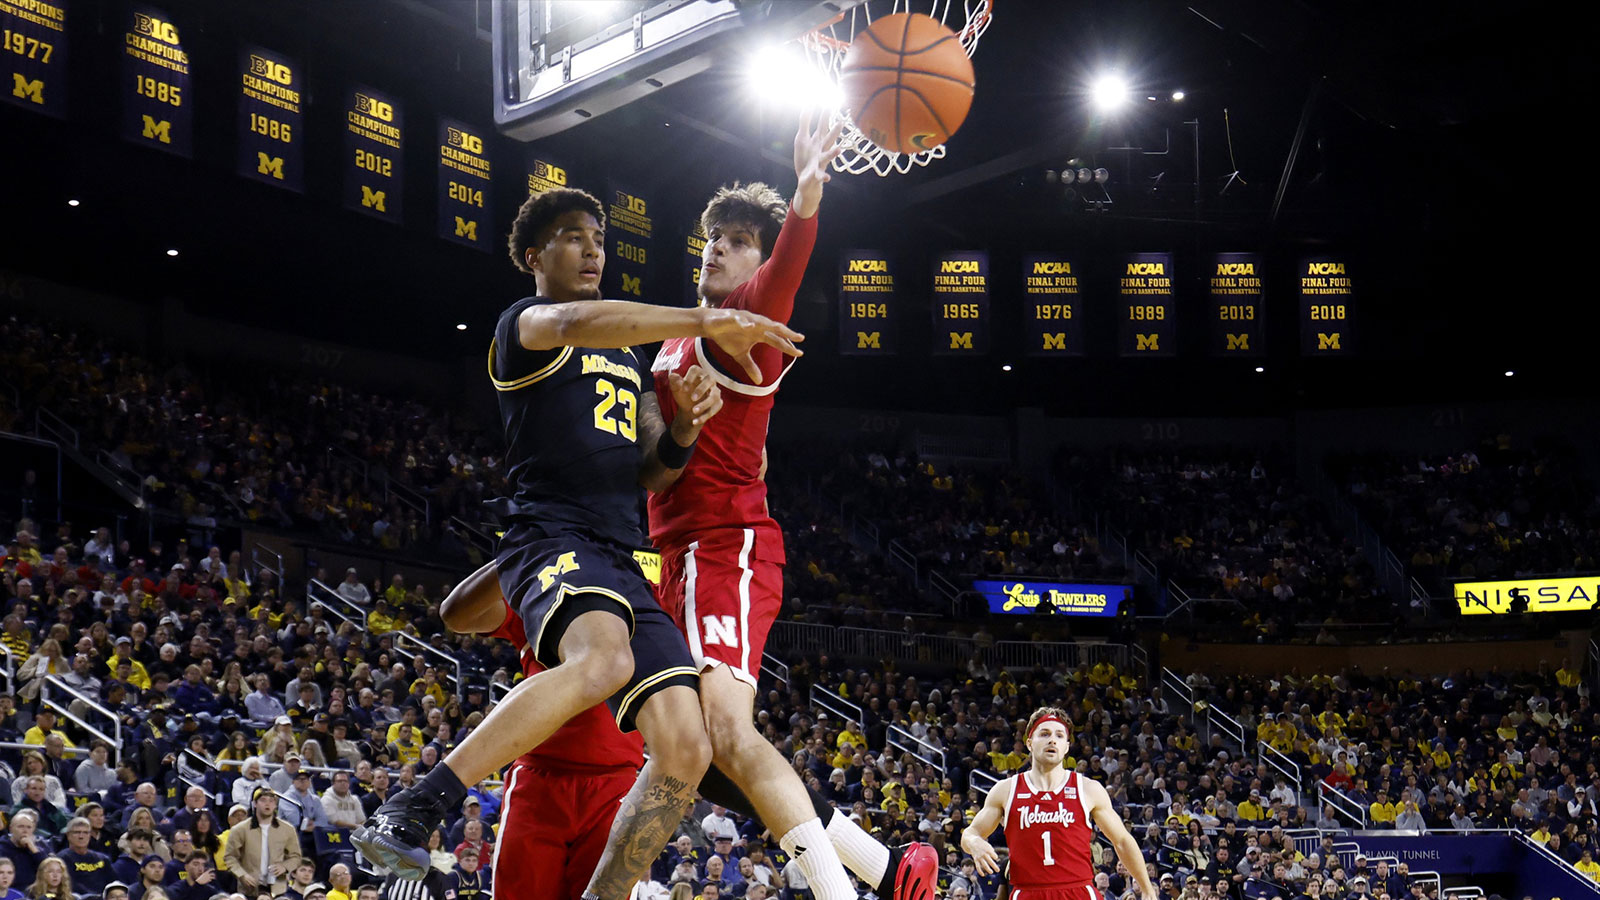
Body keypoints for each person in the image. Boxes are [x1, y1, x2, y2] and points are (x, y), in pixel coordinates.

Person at [352, 179, 803, 900]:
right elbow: (575, 325)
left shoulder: (627, 363)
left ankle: (607, 894)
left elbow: (654, 470)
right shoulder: (525, 324)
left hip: (624, 556)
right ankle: (416, 806)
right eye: (572, 238)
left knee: (687, 748)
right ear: (535, 255)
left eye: (599, 240)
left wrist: (686, 424)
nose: (592, 250)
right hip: (553, 533)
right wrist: (705, 319)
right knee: (601, 661)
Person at [961, 708, 1157, 900]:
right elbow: (970, 833)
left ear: (1066, 746)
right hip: (1027, 891)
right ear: (1029, 743)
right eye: (1044, 734)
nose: (1052, 739)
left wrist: (1147, 889)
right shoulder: (1006, 790)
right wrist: (975, 842)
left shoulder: (1087, 788)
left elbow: (1122, 840)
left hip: (1078, 891)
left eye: (1059, 735)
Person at [221, 789, 300, 897]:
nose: (267, 804)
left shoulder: (287, 829)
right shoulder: (240, 829)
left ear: (275, 805)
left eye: (271, 801)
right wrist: (242, 874)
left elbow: (295, 856)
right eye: (263, 800)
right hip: (249, 888)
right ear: (254, 804)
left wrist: (284, 867)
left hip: (277, 889)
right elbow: (230, 857)